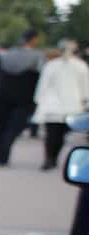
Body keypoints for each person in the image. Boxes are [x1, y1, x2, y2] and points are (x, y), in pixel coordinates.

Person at [0, 28, 43, 165]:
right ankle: (3, 154)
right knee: (13, 128)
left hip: (2, 95)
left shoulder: (6, 55)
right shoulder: (37, 57)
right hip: (24, 97)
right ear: (34, 39)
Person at [32, 40, 89, 169]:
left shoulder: (51, 65)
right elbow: (85, 88)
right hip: (72, 106)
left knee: (51, 134)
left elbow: (43, 86)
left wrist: (39, 101)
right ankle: (53, 157)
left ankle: (49, 158)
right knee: (61, 135)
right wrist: (86, 102)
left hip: (52, 106)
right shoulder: (81, 66)